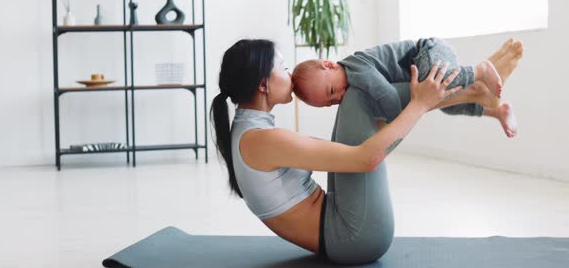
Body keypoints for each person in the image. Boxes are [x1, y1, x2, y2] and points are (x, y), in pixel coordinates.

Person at [210, 39, 462, 264]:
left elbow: (336, 152)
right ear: (263, 84)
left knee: (356, 100)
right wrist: (418, 106)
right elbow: (366, 159)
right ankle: (466, 85)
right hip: (356, 237)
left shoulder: (249, 133)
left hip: (342, 229)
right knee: (357, 96)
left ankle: (468, 92)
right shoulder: (261, 140)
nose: (290, 74)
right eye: (283, 67)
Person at [292, 38, 523, 137]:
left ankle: (478, 72)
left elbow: (389, 96)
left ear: (329, 65)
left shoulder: (357, 70)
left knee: (432, 80)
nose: (340, 97)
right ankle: (495, 111)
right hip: (422, 59)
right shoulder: (349, 79)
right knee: (447, 104)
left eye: (333, 91)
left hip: (426, 51)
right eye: (332, 102)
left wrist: (396, 121)